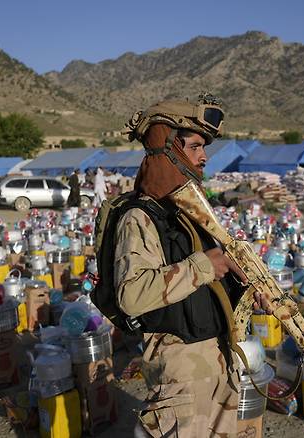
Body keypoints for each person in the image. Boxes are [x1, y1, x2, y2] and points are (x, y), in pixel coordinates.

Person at [111, 95, 270, 437]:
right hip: (181, 377)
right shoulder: (140, 218)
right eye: (195, 145)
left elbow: (209, 281)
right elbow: (132, 294)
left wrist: (246, 290)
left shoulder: (190, 214)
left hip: (218, 364)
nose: (204, 156)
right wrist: (202, 266)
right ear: (168, 147)